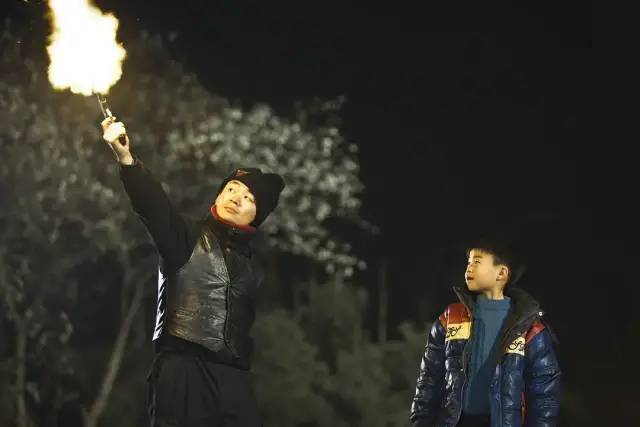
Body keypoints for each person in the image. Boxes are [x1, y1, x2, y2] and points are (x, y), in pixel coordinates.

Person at [101, 116, 285, 427]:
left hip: (234, 381)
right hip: (182, 372)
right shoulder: (185, 235)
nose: (236, 198)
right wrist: (127, 160)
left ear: (257, 215)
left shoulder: (255, 268)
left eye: (248, 197)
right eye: (231, 188)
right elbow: (153, 205)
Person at [410, 232, 561, 427]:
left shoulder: (530, 327)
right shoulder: (451, 317)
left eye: (477, 262)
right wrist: (421, 420)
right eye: (468, 262)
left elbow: (544, 391)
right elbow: (429, 377)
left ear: (501, 273)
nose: (469, 267)